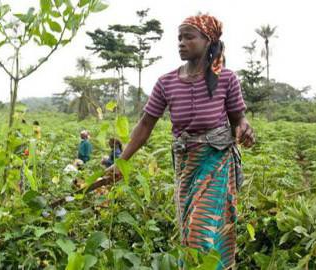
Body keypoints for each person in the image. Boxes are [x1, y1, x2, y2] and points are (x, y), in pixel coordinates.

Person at [105, 14, 255, 270]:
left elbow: (238, 119)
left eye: (189, 37)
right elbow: (144, 125)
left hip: (216, 161)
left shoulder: (226, 79)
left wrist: (245, 129)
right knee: (189, 230)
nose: (181, 43)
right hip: (186, 164)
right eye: (179, 38)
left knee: (201, 229)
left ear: (208, 41)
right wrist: (121, 161)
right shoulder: (167, 82)